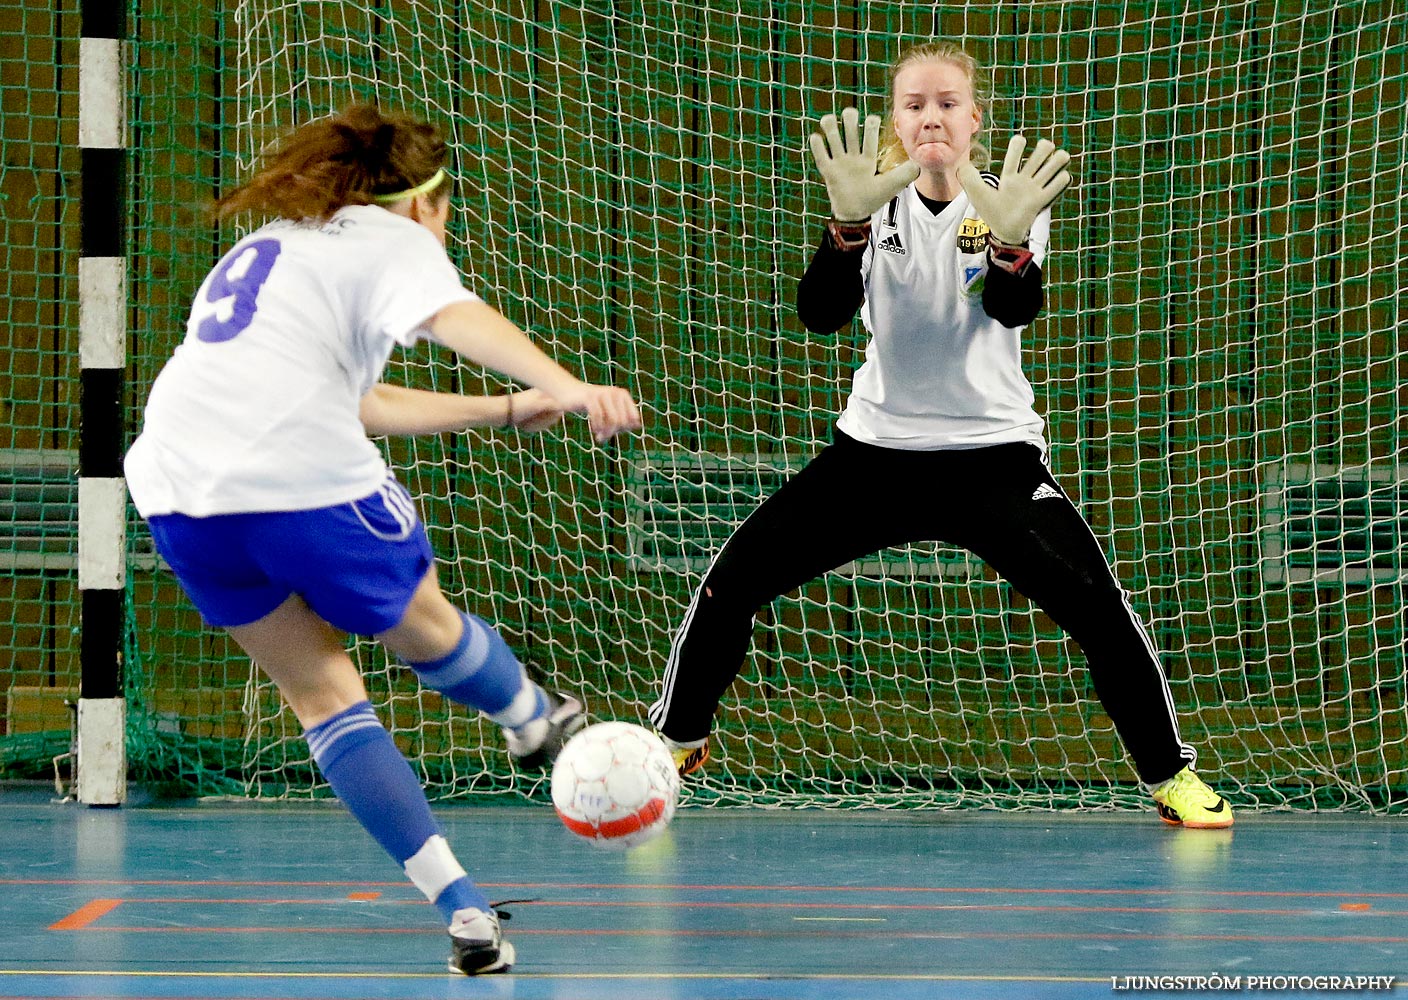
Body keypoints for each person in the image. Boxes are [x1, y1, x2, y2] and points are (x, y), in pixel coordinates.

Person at [648, 41, 1233, 829]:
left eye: (947, 103)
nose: (931, 117)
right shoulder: (869, 200)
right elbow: (819, 314)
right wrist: (843, 227)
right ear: (896, 119)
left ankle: (1171, 777)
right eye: (915, 104)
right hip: (875, 456)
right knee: (730, 581)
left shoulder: (1008, 198)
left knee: (1099, 608)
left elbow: (1011, 308)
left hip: (992, 459)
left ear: (973, 118)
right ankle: (678, 739)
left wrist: (1013, 245)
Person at [124, 104, 643, 975]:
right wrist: (570, 383)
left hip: (179, 490)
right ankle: (530, 716)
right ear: (424, 203)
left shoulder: (276, 248)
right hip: (298, 483)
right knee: (425, 625)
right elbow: (458, 318)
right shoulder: (394, 239)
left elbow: (352, 403)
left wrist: (507, 411)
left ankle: (465, 913)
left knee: (322, 698)